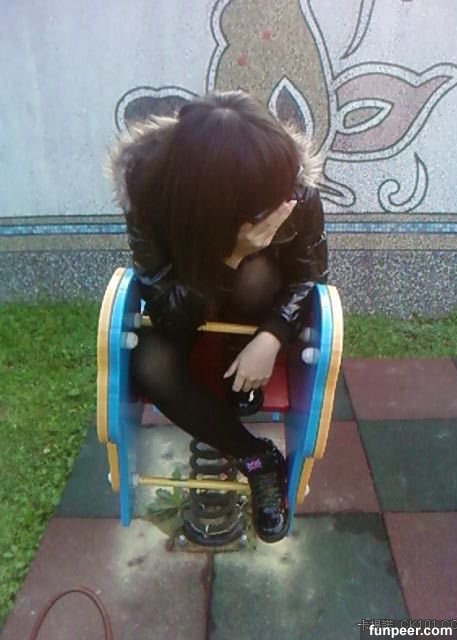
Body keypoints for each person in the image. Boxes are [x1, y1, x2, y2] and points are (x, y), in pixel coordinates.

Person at [104, 89, 328, 543]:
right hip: (188, 305)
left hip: (254, 310)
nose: (281, 204)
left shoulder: (291, 189)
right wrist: (231, 255)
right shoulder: (149, 191)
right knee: (148, 363)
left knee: (258, 275)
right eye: (262, 205)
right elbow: (166, 314)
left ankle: (237, 371)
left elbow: (309, 275)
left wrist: (270, 337)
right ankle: (256, 458)